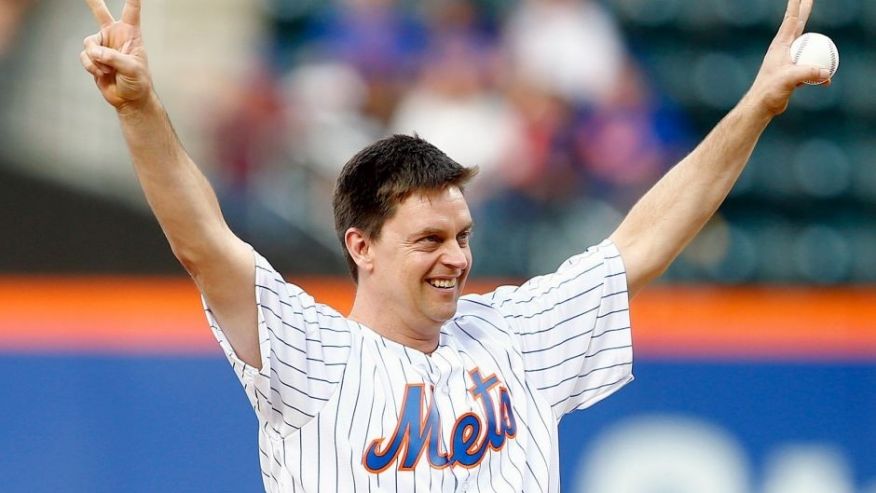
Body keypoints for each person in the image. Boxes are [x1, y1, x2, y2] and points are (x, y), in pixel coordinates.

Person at [79, 0, 830, 491]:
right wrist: (141, 108)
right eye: (429, 238)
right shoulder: (310, 353)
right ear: (361, 246)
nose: (457, 257)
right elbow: (203, 243)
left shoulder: (515, 334)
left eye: (463, 235)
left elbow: (645, 239)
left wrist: (755, 107)